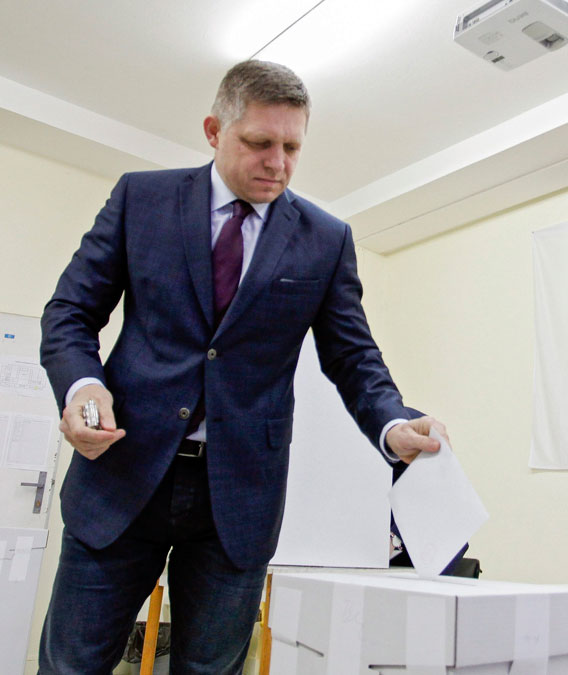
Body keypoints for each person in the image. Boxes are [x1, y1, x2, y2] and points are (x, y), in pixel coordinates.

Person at [38, 60, 443, 673]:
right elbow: (70, 312)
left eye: (292, 148)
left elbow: (352, 354)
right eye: (259, 143)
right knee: (73, 665)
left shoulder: (325, 238)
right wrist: (82, 387)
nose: (277, 163)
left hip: (239, 496)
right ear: (214, 130)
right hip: (122, 474)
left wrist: (391, 423)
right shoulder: (141, 199)